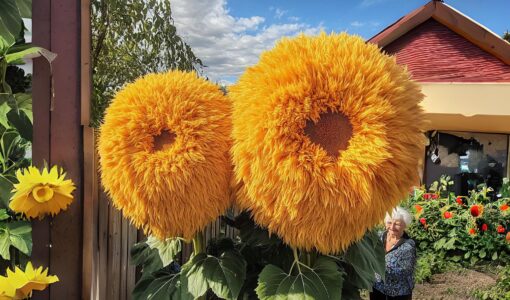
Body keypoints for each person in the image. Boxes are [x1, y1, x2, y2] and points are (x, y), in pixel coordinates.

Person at [371, 207, 416, 300]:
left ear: (404, 225)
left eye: (397, 224)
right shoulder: (378, 237)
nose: (392, 227)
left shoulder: (408, 246)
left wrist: (376, 266)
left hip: (398, 292)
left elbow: (405, 270)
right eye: (389, 223)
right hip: (377, 287)